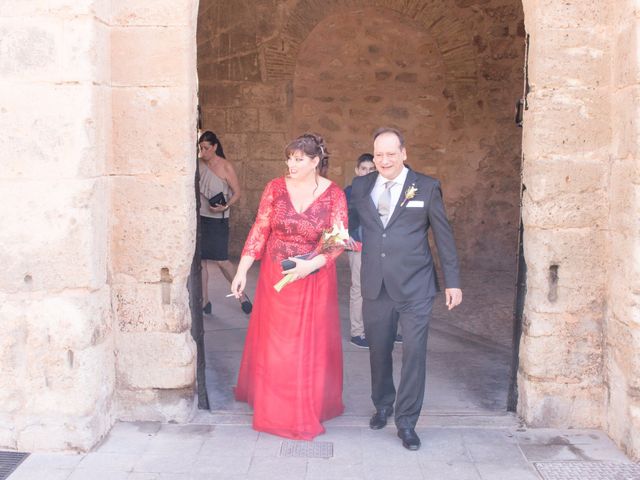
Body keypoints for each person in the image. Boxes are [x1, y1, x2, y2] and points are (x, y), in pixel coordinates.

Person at [348, 127, 462, 451]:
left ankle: (407, 420)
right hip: (375, 284)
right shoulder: (361, 186)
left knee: (414, 353)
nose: (384, 160)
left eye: (391, 153)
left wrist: (453, 281)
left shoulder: (426, 187)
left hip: (416, 286)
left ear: (404, 153)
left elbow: (444, 236)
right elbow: (341, 220)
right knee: (378, 350)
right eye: (378, 154)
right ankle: (383, 404)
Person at [230, 133, 347, 440]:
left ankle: (304, 403)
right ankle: (274, 404)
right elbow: (260, 228)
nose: (291, 164)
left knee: (306, 344)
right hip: (275, 276)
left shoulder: (334, 194)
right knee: (276, 343)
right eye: (289, 158)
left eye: (298, 159)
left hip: (314, 276)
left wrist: (311, 265)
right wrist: (242, 269)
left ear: (315, 162)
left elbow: (336, 240)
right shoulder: (275, 187)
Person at [198, 131, 252, 315]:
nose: (203, 152)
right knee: (201, 262)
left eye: (206, 148)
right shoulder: (198, 164)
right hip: (200, 217)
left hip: (218, 219)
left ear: (214, 147)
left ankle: (241, 295)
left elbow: (237, 192)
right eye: (201, 148)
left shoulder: (225, 166)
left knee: (222, 261)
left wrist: (225, 206)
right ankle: (204, 301)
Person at [345, 154, 376, 348]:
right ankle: (358, 332)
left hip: (380, 247)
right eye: (363, 168)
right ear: (357, 170)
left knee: (384, 288)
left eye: (371, 169)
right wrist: (345, 234)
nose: (367, 172)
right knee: (359, 289)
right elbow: (339, 214)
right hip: (357, 244)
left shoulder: (382, 189)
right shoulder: (349, 191)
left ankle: (386, 329)